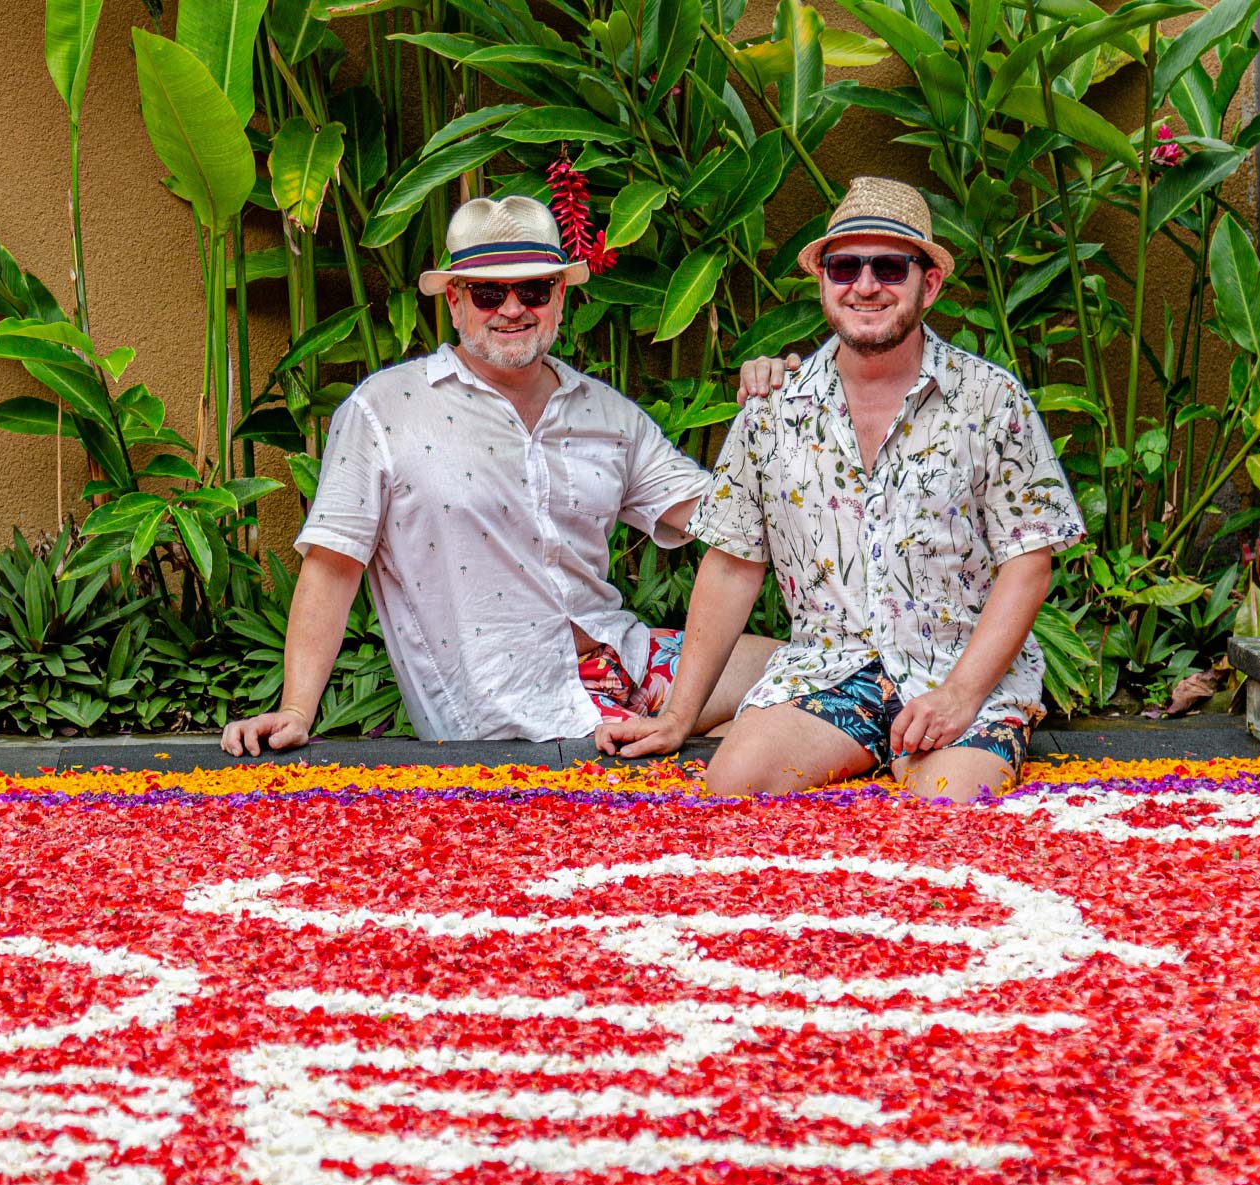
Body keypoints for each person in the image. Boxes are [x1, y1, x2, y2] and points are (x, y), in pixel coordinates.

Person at [221, 196, 776, 753]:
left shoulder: (608, 415)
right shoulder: (384, 410)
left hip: (629, 657)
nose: (513, 308)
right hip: (515, 708)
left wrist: (772, 414)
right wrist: (296, 709)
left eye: (532, 289)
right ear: (456, 302)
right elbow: (333, 566)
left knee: (814, 678)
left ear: (560, 297)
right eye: (490, 293)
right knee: (742, 751)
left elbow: (729, 514)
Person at [595, 177, 1086, 801]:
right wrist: (678, 716)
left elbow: (1028, 562)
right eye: (845, 266)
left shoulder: (991, 399)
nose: (865, 285)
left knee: (946, 810)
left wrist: (961, 694)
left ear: (927, 283)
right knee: (734, 785)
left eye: (889, 266)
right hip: (833, 672)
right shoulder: (773, 410)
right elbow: (731, 567)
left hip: (958, 669)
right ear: (824, 280)